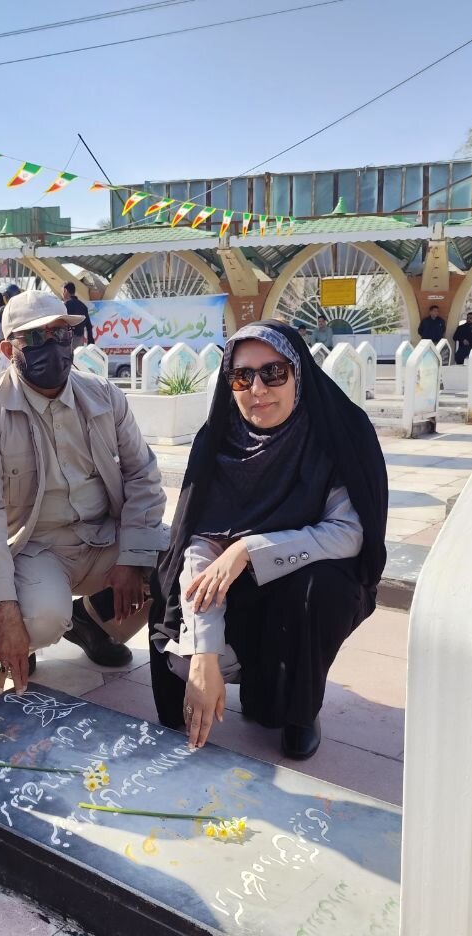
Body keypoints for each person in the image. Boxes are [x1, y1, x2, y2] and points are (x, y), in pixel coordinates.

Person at [147, 321, 387, 759]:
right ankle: (237, 676)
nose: (257, 389)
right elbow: (198, 547)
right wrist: (204, 654)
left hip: (305, 588)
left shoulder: (336, 435)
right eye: (242, 377)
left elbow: (349, 534)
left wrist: (247, 550)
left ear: (298, 372)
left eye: (273, 373)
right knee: (180, 638)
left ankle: (300, 710)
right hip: (239, 594)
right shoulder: (219, 442)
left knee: (321, 589)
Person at [0, 290, 169, 688]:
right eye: (35, 338)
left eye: (61, 334)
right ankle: (26, 637)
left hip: (103, 536)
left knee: (175, 564)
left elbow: (143, 475)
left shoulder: (103, 396)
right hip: (35, 548)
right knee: (42, 619)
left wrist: (132, 558)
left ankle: (94, 623)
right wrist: (6, 612)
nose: (52, 348)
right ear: (7, 349)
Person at [63, 282, 94, 348]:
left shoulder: (65, 305)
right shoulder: (83, 306)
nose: (63, 294)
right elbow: (89, 326)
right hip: (79, 342)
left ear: (65, 290)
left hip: (66, 341)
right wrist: (90, 342)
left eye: (63, 291)